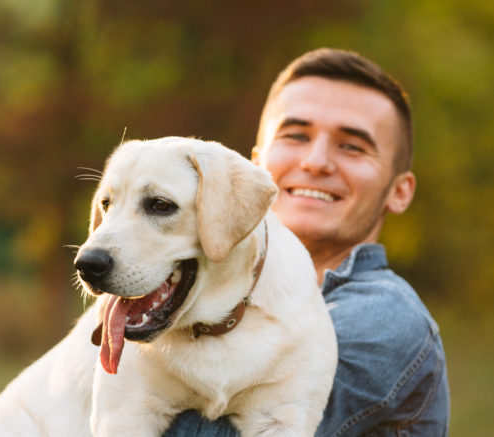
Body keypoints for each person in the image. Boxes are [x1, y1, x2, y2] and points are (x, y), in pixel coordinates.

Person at [164, 48, 450, 436]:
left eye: (352, 146)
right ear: (253, 165)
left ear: (399, 192)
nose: (316, 162)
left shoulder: (386, 318)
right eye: (296, 135)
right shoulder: (204, 299)